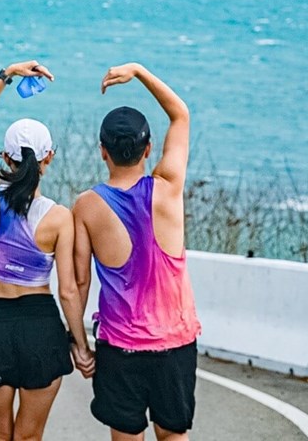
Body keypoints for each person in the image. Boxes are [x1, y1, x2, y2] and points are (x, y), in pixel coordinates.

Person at [0, 60, 94, 440]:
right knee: (29, 437)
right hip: (42, 326)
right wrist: (81, 347)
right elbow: (69, 290)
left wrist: (8, 74)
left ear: (5, 157)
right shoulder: (59, 218)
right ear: (48, 158)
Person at [73, 63, 201, 441]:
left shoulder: (87, 206)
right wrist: (140, 73)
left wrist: (79, 344)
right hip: (175, 344)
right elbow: (180, 114)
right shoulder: (168, 188)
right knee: (174, 435)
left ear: (102, 151)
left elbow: (78, 282)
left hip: (120, 348)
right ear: (149, 149)